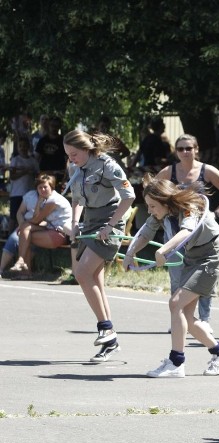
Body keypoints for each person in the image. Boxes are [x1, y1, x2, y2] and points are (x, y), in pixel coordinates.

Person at [124, 176, 219, 377]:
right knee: (185, 317)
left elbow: (187, 231)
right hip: (192, 257)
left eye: (152, 206)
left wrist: (163, 251)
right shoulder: (161, 212)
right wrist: (130, 253)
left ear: (165, 201)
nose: (150, 210)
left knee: (176, 304)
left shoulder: (189, 206)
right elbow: (145, 233)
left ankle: (176, 362)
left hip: (210, 256)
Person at [64, 129, 136, 362]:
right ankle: (110, 341)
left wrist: (111, 226)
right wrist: (74, 223)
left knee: (82, 272)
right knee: (94, 280)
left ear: (86, 149)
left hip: (111, 218)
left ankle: (105, 327)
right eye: (68, 154)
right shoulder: (75, 167)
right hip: (90, 220)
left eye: (74, 154)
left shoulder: (107, 165)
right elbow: (76, 198)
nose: (71, 159)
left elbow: (129, 196)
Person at [155, 134, 219, 328]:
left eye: (188, 148)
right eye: (181, 149)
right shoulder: (169, 171)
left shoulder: (207, 171)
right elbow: (153, 191)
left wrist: (215, 214)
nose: (184, 152)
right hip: (175, 231)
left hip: (200, 233)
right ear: (176, 151)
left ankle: (204, 319)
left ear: (196, 150)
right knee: (177, 276)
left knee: (202, 278)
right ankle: (179, 317)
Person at [0, 174, 71, 279]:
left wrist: (24, 225)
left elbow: (36, 220)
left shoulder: (53, 200)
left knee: (24, 235)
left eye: (45, 187)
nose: (42, 189)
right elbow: (35, 218)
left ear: (52, 187)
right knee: (25, 231)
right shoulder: (44, 199)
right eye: (39, 187)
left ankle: (23, 267)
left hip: (61, 234)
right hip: (51, 229)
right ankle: (23, 267)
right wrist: (38, 202)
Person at [7, 136, 39, 230]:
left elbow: (37, 176)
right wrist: (25, 171)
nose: (22, 148)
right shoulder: (15, 160)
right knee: (13, 217)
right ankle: (10, 239)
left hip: (30, 193)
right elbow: (12, 177)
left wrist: (32, 173)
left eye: (24, 146)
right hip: (16, 193)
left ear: (28, 147)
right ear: (17, 147)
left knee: (28, 216)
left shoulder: (33, 161)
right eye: (20, 146)